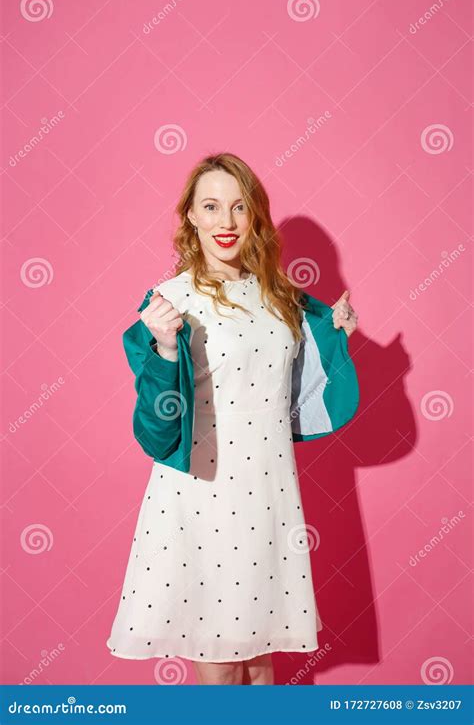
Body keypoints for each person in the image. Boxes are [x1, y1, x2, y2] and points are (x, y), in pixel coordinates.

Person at [106, 152, 358, 685]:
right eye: (212, 207)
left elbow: (299, 389)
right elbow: (155, 430)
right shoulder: (170, 302)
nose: (226, 222)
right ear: (191, 216)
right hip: (203, 491)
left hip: (268, 489)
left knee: (262, 660)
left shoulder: (281, 296)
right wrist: (165, 350)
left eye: (239, 208)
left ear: (254, 217)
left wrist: (335, 336)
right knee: (220, 663)